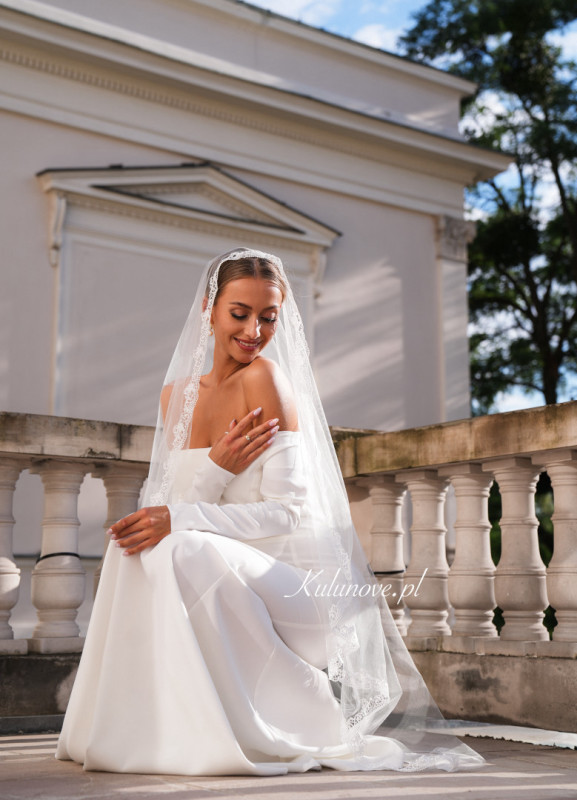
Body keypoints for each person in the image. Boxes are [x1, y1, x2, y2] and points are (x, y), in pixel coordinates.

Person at [56, 247, 486, 775]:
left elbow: (285, 515)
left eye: (269, 317)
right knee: (131, 547)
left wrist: (185, 513)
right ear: (209, 311)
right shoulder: (177, 397)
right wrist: (213, 471)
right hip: (226, 576)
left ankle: (305, 711)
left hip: (300, 595)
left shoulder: (266, 381)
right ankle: (145, 727)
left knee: (183, 544)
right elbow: (159, 510)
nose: (254, 331)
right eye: (240, 313)